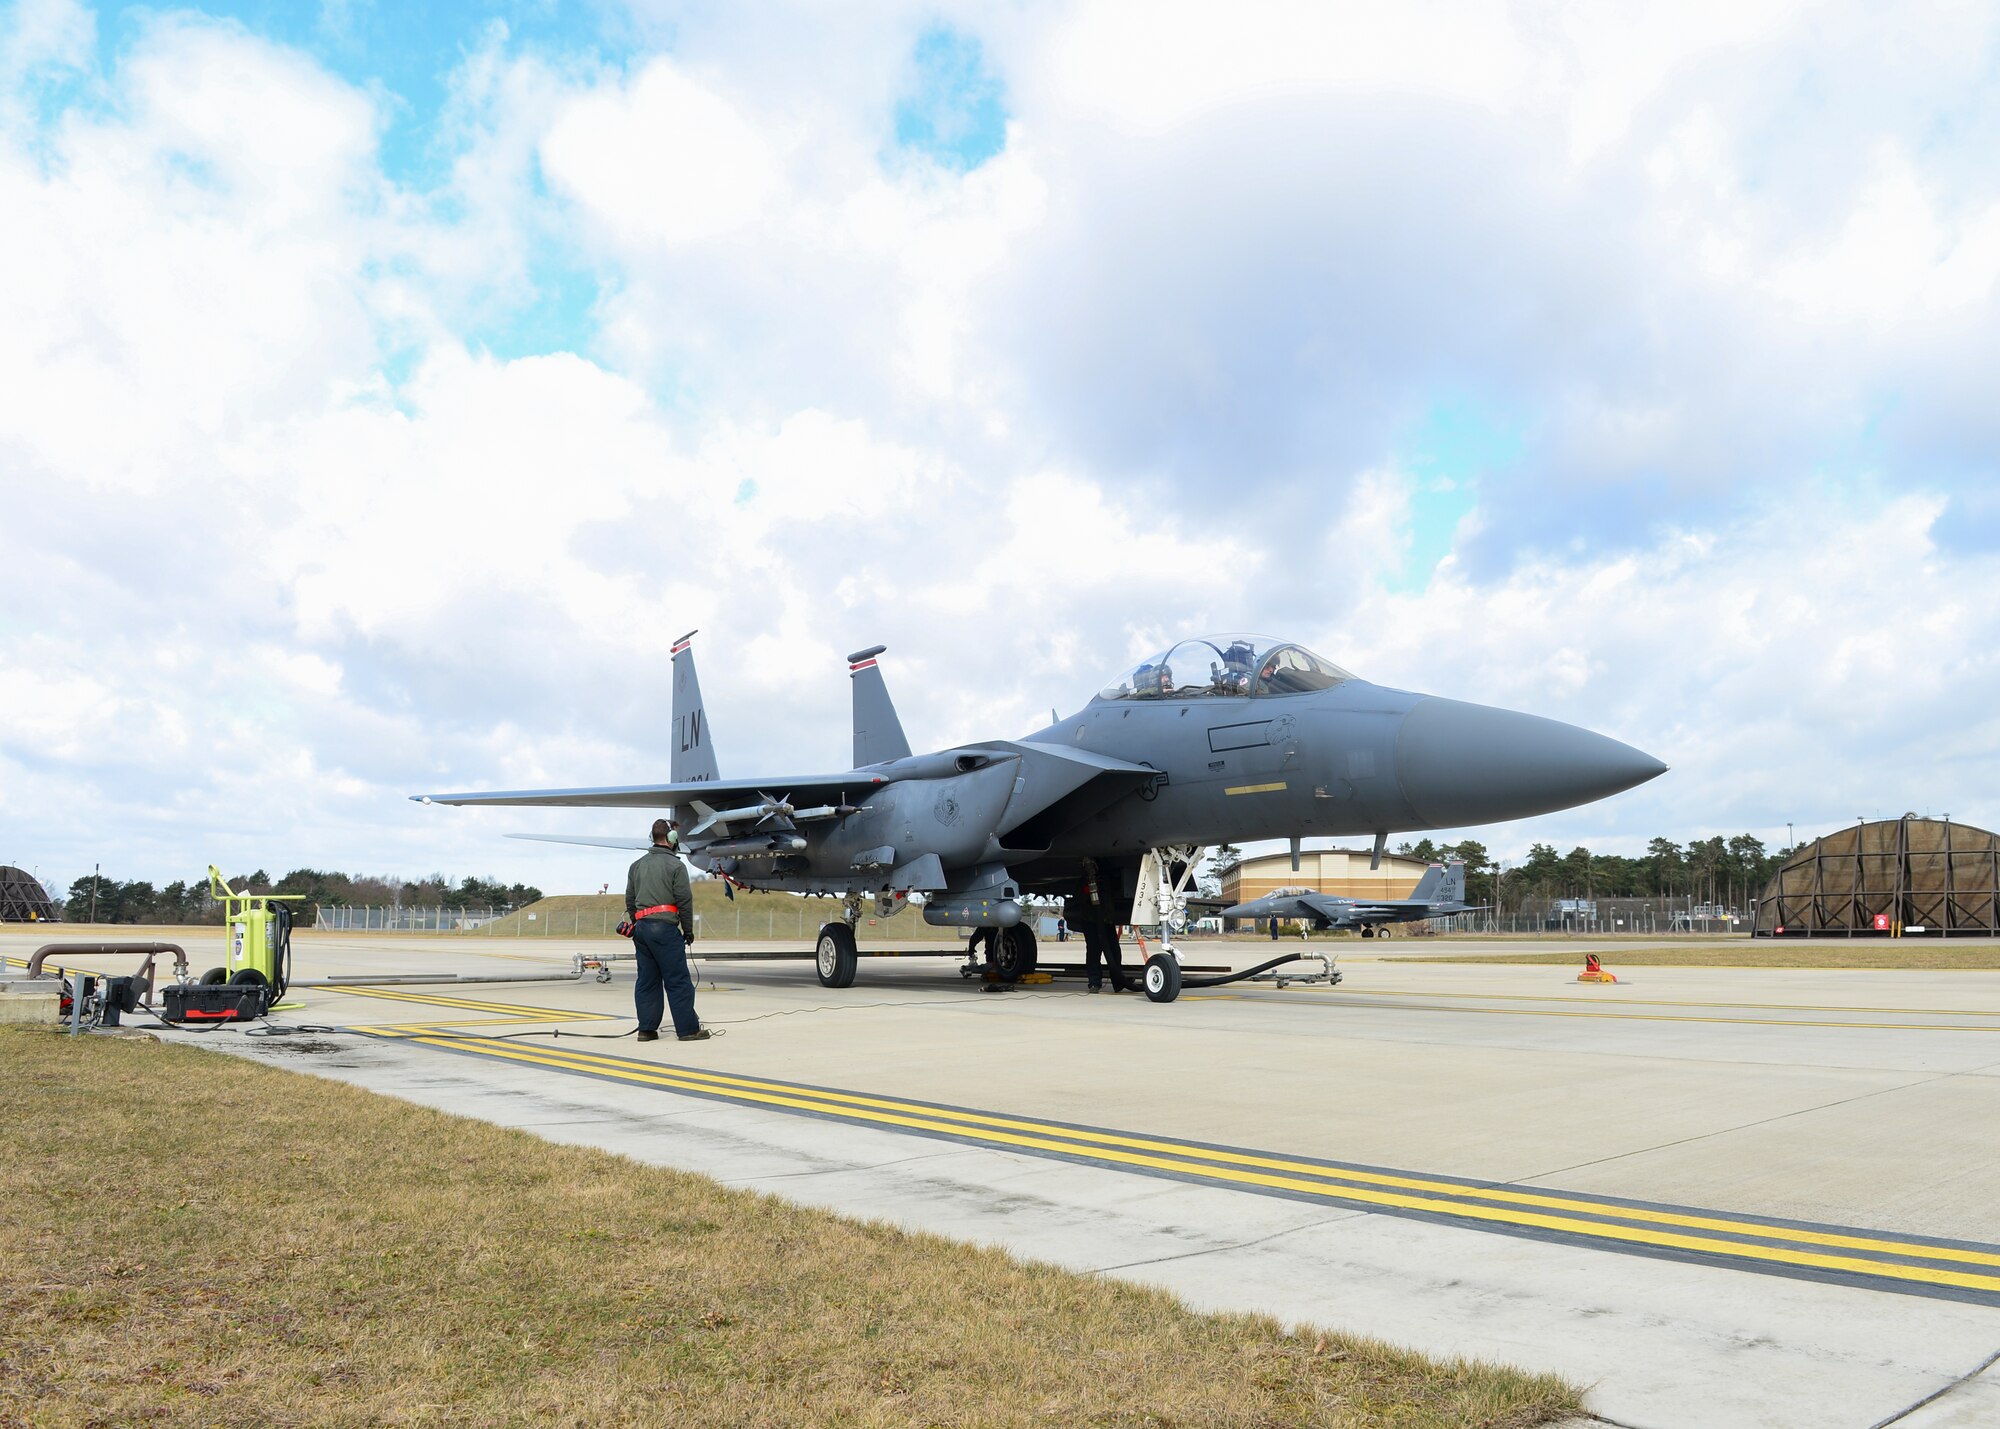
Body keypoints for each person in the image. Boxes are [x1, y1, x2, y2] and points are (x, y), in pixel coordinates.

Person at [626, 818, 708, 1042]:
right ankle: (688, 1030)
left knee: (647, 980)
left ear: (652, 837)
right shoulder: (676, 866)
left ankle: (646, 1029)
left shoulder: (637, 866)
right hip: (665, 930)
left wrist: (639, 923)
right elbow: (684, 900)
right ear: (672, 839)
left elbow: (630, 900)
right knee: (678, 980)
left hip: (641, 930)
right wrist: (688, 931)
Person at [1084, 920, 1129, 993]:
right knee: (1093, 952)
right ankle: (1094, 983)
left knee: (1114, 951)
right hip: (1091, 918)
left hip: (1107, 918)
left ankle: (1118, 981)